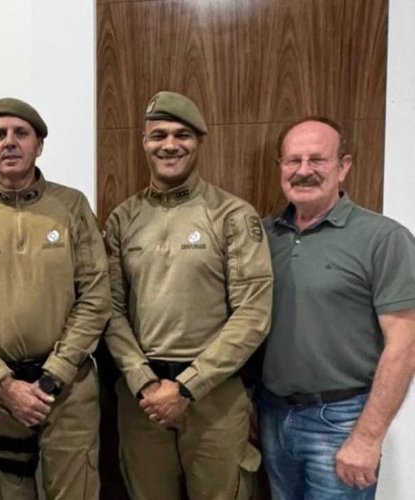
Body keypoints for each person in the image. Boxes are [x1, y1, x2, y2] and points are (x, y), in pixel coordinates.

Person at [103, 91, 273, 500]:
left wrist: (187, 387)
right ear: (144, 142)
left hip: (213, 396)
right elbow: (108, 308)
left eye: (182, 134)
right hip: (141, 399)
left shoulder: (232, 215)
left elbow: (253, 312)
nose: (169, 144)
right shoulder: (123, 218)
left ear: (199, 141)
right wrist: (144, 381)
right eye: (157, 134)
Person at [0, 97, 111, 500]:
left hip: (68, 393)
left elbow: (95, 296)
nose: (10, 142)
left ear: (39, 144)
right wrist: (2, 383)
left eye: (21, 133)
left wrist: (53, 376)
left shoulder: (71, 206)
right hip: (2, 395)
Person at [259, 117, 415, 499]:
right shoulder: (262, 236)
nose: (304, 170)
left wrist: (367, 437)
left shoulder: (383, 238)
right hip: (272, 414)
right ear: (280, 167)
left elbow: (405, 344)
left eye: (317, 159)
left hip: (341, 420)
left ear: (343, 166)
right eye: (293, 160)